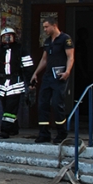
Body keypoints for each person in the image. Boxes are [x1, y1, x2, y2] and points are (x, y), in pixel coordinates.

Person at [30, 16, 75, 144]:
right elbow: (44, 59)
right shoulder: (48, 41)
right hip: (48, 77)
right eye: (44, 27)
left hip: (59, 77)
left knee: (56, 104)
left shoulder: (65, 39)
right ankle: (44, 133)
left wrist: (67, 71)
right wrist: (35, 73)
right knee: (43, 104)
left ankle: (61, 133)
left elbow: (70, 57)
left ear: (54, 25)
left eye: (46, 27)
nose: (44, 29)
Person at [0, 27, 34, 139]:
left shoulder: (21, 50)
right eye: (4, 36)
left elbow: (28, 67)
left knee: (10, 108)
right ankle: (14, 129)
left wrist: (31, 83)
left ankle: (5, 130)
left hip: (15, 83)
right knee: (7, 107)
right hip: (1, 84)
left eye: (10, 36)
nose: (7, 38)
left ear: (14, 37)